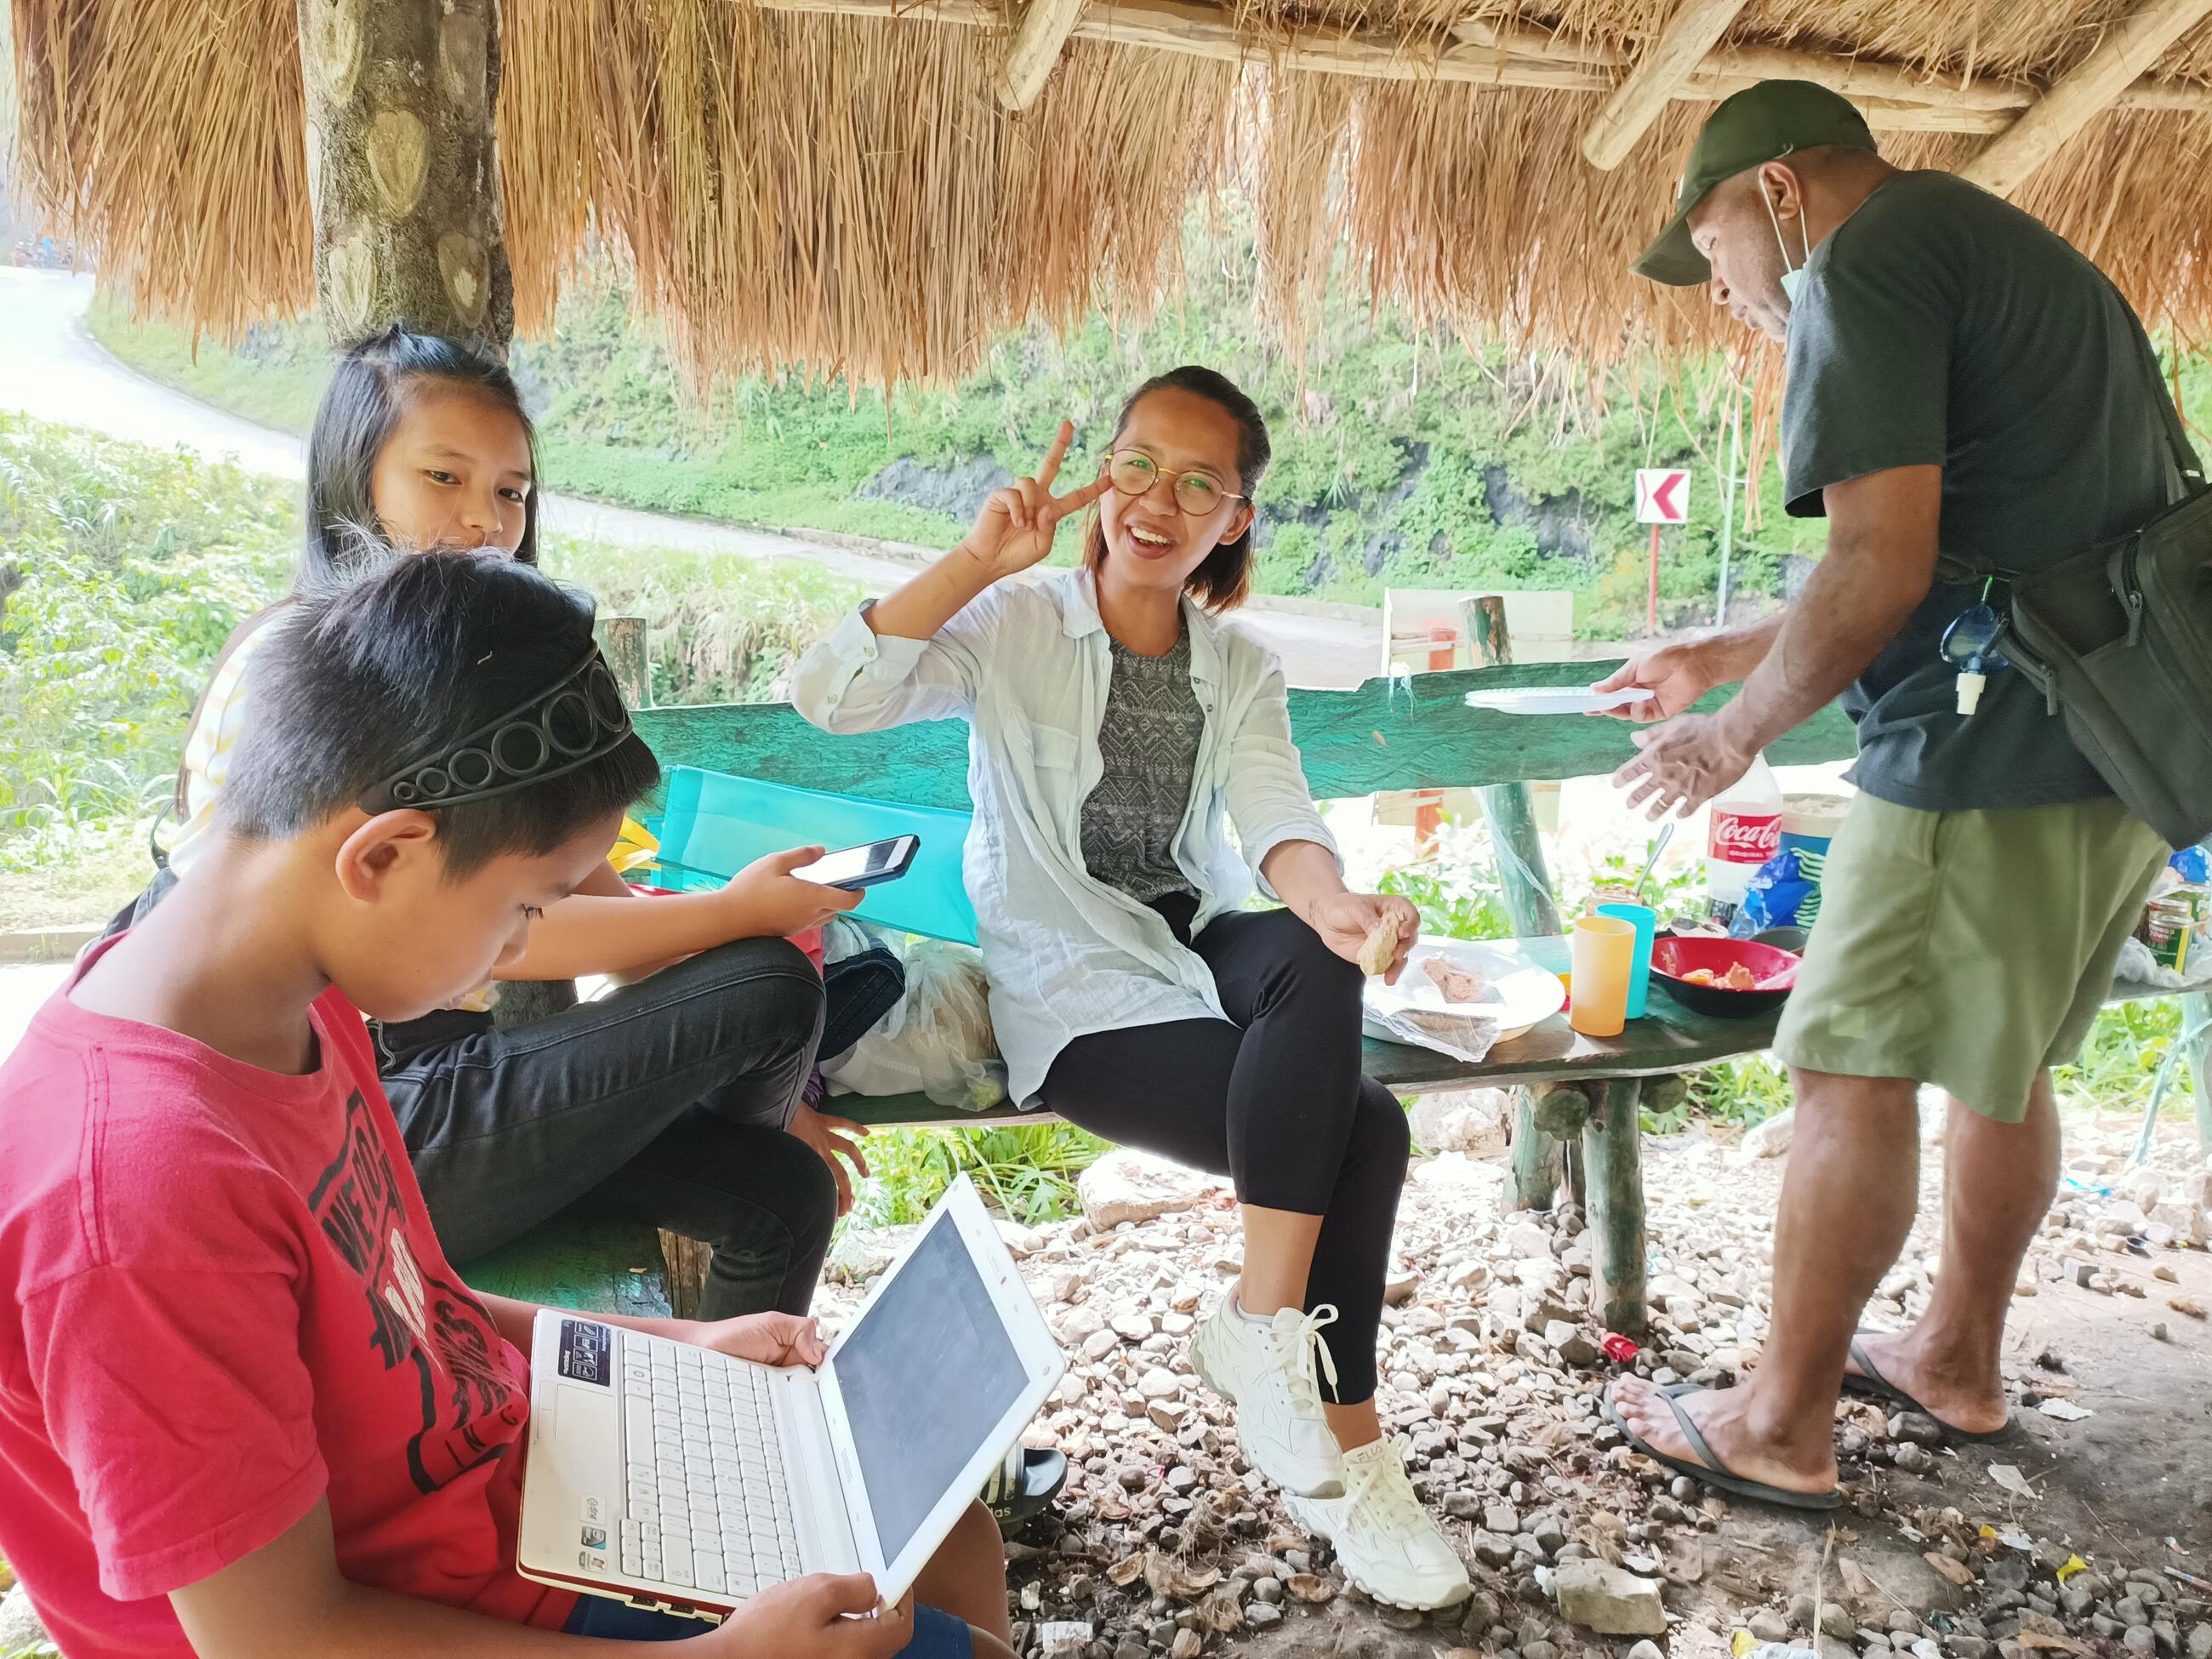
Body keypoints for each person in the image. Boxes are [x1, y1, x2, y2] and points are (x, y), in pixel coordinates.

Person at [0, 550, 1016, 1658]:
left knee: (943, 1536)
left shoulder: (290, 998)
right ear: (384, 856)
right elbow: (280, 1640)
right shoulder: (138, 1200)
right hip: (424, 1609)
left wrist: (667, 1345)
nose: (523, 949)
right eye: (527, 907)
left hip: (506, 1499)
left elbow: (412, 1304)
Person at [793, 367, 1471, 1611]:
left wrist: (1332, 902)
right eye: (1139, 466)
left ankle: (1261, 1333)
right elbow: (830, 696)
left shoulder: (1238, 662)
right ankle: (1353, 1455)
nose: (1158, 502)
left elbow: (1275, 811)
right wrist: (975, 559)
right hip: (1071, 982)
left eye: (1198, 484)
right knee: (1366, 1127)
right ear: (1104, 476)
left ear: (1235, 518)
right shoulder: (1013, 622)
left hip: (1196, 936)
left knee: (1316, 955)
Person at [1598, 81, 2175, 1508]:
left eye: (1712, 248)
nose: (1720, 291)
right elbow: (1963, 545)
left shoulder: (1861, 265)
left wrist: (1731, 735)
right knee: (2002, 1059)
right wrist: (1718, 653)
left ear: (1779, 192)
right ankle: (1956, 1358)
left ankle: (1779, 1424)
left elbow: (1877, 564)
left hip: (1980, 747)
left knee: (1848, 1062)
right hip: (2113, 736)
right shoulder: (2000, 250)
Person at [157, 327, 874, 1320]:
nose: (482, 521)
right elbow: (511, 939)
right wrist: (731, 917)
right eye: (442, 477)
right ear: (354, 481)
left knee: (782, 1191)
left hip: (450, 1081)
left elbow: (592, 915)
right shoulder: (313, 669)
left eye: (510, 491)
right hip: (355, 1113)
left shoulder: (484, 673)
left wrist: (760, 1056)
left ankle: (736, 1400)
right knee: (766, 980)